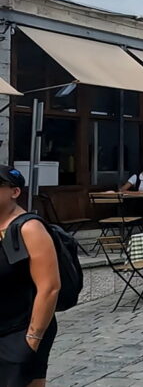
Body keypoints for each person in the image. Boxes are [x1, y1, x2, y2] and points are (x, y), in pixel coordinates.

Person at [0, 165, 60, 387]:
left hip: (20, 329)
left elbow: (50, 287)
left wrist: (31, 341)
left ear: (14, 192)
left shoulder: (29, 228)